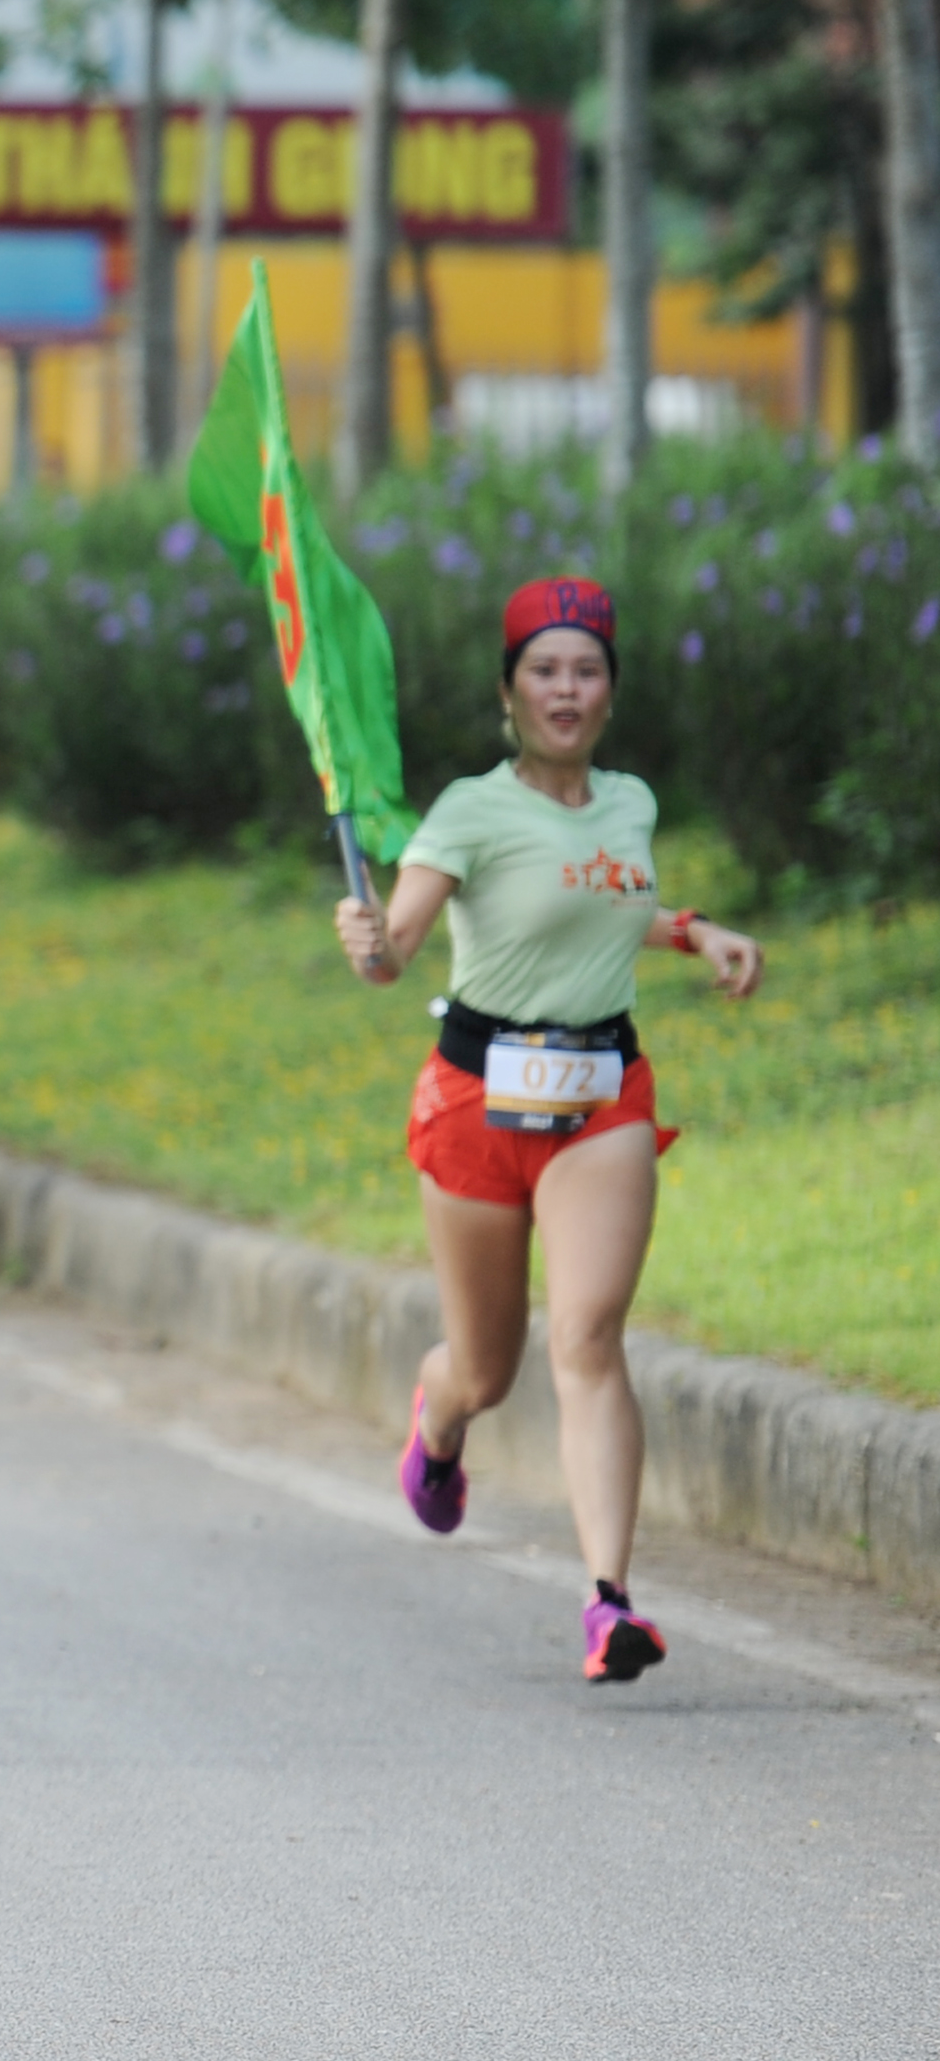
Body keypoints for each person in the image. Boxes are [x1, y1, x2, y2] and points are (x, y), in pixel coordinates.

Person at [333, 576, 762, 1685]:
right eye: (543, 670)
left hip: (599, 1095)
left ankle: (608, 1602)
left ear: (609, 692)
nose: (564, 689)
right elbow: (397, 951)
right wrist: (370, 942)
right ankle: (438, 1422)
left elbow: (596, 902)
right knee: (487, 1368)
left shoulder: (629, 804)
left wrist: (692, 931)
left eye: (585, 670)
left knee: (587, 1336)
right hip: (477, 1099)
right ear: (508, 692)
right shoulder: (468, 811)